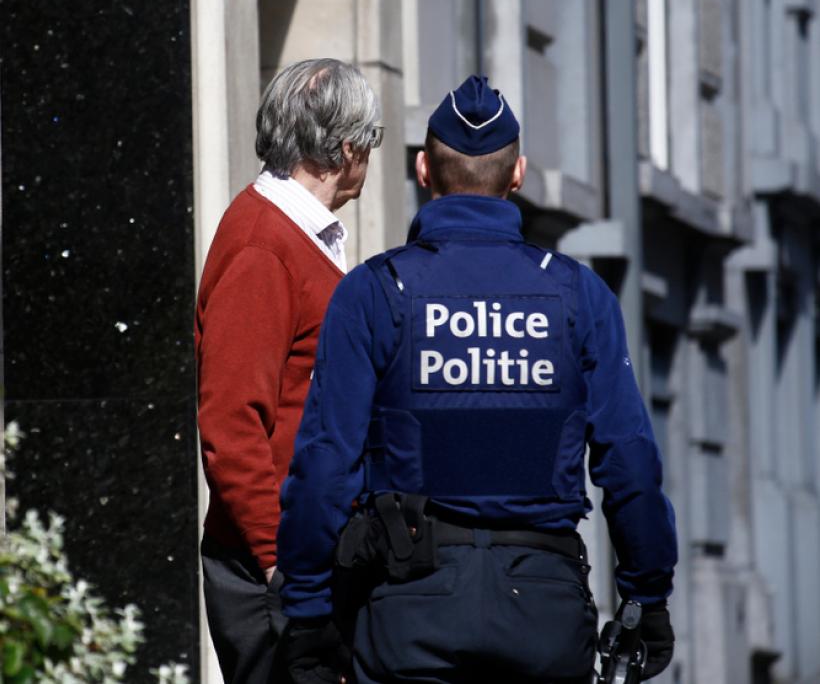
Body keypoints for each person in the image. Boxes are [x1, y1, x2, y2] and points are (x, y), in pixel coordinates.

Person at [277, 75, 677, 683]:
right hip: (543, 612)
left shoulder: (375, 292)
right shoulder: (578, 294)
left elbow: (327, 462)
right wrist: (646, 597)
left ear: (423, 170)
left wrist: (307, 611)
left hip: (409, 610)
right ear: (517, 175)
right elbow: (629, 462)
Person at [195, 58, 383, 683]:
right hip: (272, 570)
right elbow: (230, 420)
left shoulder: (298, 234)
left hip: (298, 560)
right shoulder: (264, 245)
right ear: (349, 148)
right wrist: (279, 560)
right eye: (372, 143)